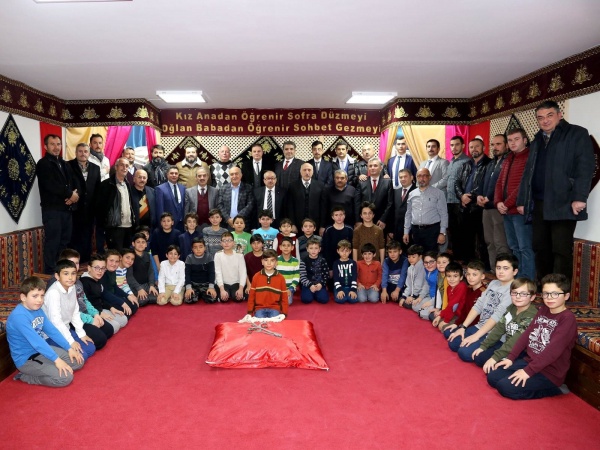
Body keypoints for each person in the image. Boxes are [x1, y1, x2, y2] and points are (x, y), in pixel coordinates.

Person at [517, 101, 594, 281]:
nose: (545, 121)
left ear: (559, 115)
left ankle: (558, 291)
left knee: (560, 249)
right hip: (539, 203)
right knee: (540, 247)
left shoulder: (576, 134)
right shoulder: (537, 139)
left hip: (563, 202)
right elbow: (528, 172)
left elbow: (585, 167)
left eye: (549, 115)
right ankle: (545, 287)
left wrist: (579, 197)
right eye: (540, 117)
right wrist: (522, 200)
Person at [487, 273, 577, 400]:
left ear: (566, 296)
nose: (549, 298)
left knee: (505, 387)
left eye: (555, 294)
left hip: (549, 372)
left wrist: (527, 372)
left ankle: (555, 389)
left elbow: (552, 351)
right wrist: (511, 358)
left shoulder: (567, 319)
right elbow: (526, 334)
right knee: (492, 376)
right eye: (546, 294)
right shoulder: (543, 310)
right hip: (530, 362)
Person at [7, 276, 84, 387]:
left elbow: (52, 331)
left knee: (78, 361)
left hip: (42, 351)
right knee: (65, 377)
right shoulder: (19, 317)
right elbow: (37, 342)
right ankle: (26, 376)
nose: (39, 300)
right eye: (35, 296)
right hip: (27, 359)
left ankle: (49, 365)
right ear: (23, 297)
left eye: (42, 296)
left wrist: (69, 348)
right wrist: (56, 360)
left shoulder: (37, 309)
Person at [447, 253, 518, 361]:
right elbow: (478, 305)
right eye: (498, 268)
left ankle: (497, 351)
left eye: (505, 268)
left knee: (464, 353)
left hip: (494, 333)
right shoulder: (493, 283)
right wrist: (463, 327)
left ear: (515, 271)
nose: (501, 271)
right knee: (453, 342)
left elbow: (497, 316)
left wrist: (476, 336)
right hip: (480, 326)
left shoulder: (514, 290)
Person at [495, 128, 535, 280]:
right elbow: (499, 182)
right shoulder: (508, 158)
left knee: (525, 248)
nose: (513, 143)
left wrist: (506, 203)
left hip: (519, 211)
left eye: (516, 139)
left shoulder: (529, 157)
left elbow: (524, 184)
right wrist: (498, 202)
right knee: (514, 247)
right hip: (507, 211)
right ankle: (518, 280)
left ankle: (528, 281)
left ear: (525, 140)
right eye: (510, 140)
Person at [471, 277, 537, 369]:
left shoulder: (531, 315)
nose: (518, 296)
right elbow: (499, 328)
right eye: (514, 293)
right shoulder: (511, 308)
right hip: (507, 344)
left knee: (493, 372)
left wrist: (495, 357)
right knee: (479, 358)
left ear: (532, 297)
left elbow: (516, 340)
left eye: (523, 294)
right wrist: (484, 346)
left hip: (521, 351)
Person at [37, 134, 79, 274]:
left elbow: (73, 182)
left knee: (64, 241)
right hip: (52, 210)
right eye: (52, 144)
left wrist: (73, 196)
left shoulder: (65, 163)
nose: (56, 147)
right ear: (45, 146)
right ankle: (50, 272)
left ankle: (62, 270)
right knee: (53, 242)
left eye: (58, 144)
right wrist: (69, 194)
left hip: (66, 209)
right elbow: (51, 185)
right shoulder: (43, 164)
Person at [58, 248, 114, 348]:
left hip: (84, 315)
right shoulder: (62, 283)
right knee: (100, 340)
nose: (74, 266)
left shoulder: (77, 281)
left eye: (77, 263)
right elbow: (70, 312)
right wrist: (91, 320)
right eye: (71, 263)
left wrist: (95, 314)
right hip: (72, 320)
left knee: (109, 330)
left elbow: (85, 300)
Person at [42, 259, 96, 360]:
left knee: (90, 348)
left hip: (66, 329)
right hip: (52, 334)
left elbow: (75, 312)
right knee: (82, 356)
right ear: (57, 276)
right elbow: (56, 321)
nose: (70, 277)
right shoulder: (53, 293)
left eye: (73, 273)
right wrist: (71, 342)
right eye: (66, 274)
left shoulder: (72, 287)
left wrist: (81, 334)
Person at [476, 134, 510, 273]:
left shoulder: (508, 162)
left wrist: (491, 199)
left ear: (506, 145)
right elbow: (483, 182)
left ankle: (504, 272)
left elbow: (504, 186)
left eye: (498, 144)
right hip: (486, 208)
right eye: (493, 145)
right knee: (489, 241)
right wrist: (479, 196)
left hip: (498, 207)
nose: (495, 147)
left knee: (500, 242)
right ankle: (493, 270)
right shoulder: (491, 163)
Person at [455, 138, 491, 265]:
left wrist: (470, 197)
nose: (474, 149)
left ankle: (485, 265)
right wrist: (461, 196)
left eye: (477, 146)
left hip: (480, 207)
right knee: (466, 237)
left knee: (483, 238)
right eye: (471, 147)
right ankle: (468, 263)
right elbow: (457, 183)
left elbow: (485, 185)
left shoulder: (489, 164)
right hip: (465, 206)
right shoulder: (465, 164)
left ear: (484, 148)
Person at [68, 143, 101, 263]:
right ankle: (74, 262)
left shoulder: (96, 168)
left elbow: (97, 189)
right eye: (80, 151)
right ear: (76, 153)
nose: (83, 154)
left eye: (85, 151)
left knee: (88, 236)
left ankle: (86, 262)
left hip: (90, 210)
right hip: (74, 209)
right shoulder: (68, 166)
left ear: (89, 153)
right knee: (74, 236)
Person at [96, 157, 138, 251]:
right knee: (115, 255)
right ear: (116, 167)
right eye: (122, 165)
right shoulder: (106, 185)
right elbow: (100, 208)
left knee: (127, 255)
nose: (124, 168)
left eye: (127, 166)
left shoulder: (128, 184)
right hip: (114, 227)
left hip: (129, 226)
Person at [80, 254, 128, 334]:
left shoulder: (97, 279)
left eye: (103, 268)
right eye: (97, 268)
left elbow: (101, 297)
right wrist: (99, 313)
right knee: (115, 326)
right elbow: (85, 305)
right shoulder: (84, 283)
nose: (100, 271)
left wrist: (110, 307)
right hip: (92, 313)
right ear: (89, 268)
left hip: (101, 309)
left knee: (123, 319)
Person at [403, 168, 448, 252]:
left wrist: (442, 233)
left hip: (432, 231)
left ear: (429, 177)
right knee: (417, 256)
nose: (422, 178)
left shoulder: (438, 193)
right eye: (419, 176)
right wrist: (406, 232)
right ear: (416, 178)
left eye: (424, 176)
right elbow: (408, 214)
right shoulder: (412, 194)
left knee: (431, 256)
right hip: (416, 231)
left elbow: (444, 214)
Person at [444, 136, 471, 260]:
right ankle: (456, 257)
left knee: (462, 232)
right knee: (453, 231)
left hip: (460, 202)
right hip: (449, 201)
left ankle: (464, 259)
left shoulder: (467, 161)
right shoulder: (451, 162)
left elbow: (466, 183)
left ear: (463, 146)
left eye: (457, 144)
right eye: (452, 145)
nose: (454, 147)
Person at [442, 260, 486, 328]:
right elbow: (464, 310)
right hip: (464, 321)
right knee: (447, 330)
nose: (470, 277)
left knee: (445, 329)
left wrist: (463, 327)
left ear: (482, 276)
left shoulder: (484, 292)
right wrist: (456, 324)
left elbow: (481, 316)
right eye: (468, 274)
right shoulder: (469, 289)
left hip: (476, 326)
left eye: (474, 275)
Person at [247, 249, 289, 318]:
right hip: (259, 308)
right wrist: (250, 312)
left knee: (274, 322)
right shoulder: (256, 277)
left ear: (276, 263)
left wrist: (284, 313)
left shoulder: (281, 278)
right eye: (266, 260)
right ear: (262, 262)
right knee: (259, 322)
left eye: (272, 260)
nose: (269, 263)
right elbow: (251, 296)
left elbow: (284, 298)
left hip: (275, 308)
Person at [286, 163, 327, 233]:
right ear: (300, 172)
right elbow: (290, 207)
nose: (307, 172)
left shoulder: (320, 186)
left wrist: (322, 226)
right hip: (298, 225)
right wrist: (292, 224)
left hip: (315, 224)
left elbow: (323, 207)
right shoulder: (292, 186)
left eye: (309, 170)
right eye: (304, 170)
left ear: (313, 172)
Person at [357, 158, 393, 230]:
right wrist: (358, 220)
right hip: (364, 221)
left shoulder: (388, 182)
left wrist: (383, 219)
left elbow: (390, 203)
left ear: (381, 168)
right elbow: (357, 203)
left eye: (375, 165)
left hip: (381, 222)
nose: (372, 168)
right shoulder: (362, 183)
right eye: (370, 166)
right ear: (368, 168)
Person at [102, 249, 139, 317]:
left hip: (113, 295)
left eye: (116, 261)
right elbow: (105, 293)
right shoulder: (102, 273)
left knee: (134, 305)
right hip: (105, 299)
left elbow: (115, 287)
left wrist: (128, 296)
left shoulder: (113, 271)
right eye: (111, 261)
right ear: (105, 260)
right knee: (126, 311)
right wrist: (122, 303)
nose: (114, 264)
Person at [217, 165, 254, 230]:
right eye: (232, 174)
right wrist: (228, 219)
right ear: (229, 176)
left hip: (243, 223)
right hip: (227, 224)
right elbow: (220, 205)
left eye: (236, 174)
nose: (234, 176)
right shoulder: (223, 188)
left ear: (241, 175)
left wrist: (237, 219)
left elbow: (250, 205)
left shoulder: (248, 188)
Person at [431, 262, 467, 329]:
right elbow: (449, 306)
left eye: (455, 276)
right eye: (449, 276)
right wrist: (440, 316)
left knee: (443, 328)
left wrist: (446, 321)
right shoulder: (449, 288)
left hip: (462, 316)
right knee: (433, 317)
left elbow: (453, 305)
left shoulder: (462, 286)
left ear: (461, 277)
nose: (452, 279)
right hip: (454, 313)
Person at [214, 231, 247, 302]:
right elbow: (218, 273)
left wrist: (241, 288)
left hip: (236, 283)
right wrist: (222, 290)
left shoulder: (239, 255)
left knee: (238, 299)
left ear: (233, 243)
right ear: (221, 243)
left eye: (229, 240)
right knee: (224, 299)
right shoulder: (218, 255)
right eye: (224, 241)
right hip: (223, 284)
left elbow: (243, 272)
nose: (226, 243)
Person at [322, 206, 354, 275]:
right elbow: (326, 250)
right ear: (332, 217)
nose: (339, 217)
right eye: (336, 215)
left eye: (341, 215)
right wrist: (330, 268)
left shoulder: (350, 229)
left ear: (344, 216)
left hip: (347, 264)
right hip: (332, 263)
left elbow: (352, 248)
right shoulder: (328, 230)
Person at [184, 238, 217, 304]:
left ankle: (202, 294)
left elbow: (211, 273)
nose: (198, 249)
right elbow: (187, 274)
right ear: (192, 249)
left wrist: (211, 287)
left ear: (205, 248)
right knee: (189, 300)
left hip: (206, 284)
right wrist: (188, 288)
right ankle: (198, 294)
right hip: (194, 285)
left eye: (201, 247)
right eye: (195, 247)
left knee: (212, 299)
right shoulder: (189, 258)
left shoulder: (209, 257)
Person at [420, 252, 452, 320]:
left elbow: (450, 298)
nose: (441, 265)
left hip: (450, 307)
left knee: (428, 314)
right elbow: (438, 293)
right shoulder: (439, 275)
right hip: (440, 304)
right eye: (439, 262)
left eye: (444, 262)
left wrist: (442, 311)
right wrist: (437, 308)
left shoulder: (451, 278)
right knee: (423, 312)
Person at [156, 165, 186, 232]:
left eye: (176, 173)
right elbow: (160, 209)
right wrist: (162, 225)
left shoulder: (183, 188)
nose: (174, 175)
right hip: (168, 225)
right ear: (167, 175)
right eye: (171, 173)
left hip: (182, 224)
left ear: (178, 175)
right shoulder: (160, 189)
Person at [392, 169, 417, 251]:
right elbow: (393, 211)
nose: (403, 179)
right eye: (400, 177)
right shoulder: (396, 191)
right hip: (397, 232)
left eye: (405, 176)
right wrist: (391, 230)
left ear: (412, 177)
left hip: (412, 232)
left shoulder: (417, 191)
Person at [130, 232, 158, 305]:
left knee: (154, 299)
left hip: (146, 284)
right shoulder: (130, 257)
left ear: (146, 244)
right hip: (135, 286)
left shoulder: (147, 255)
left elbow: (151, 271)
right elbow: (129, 276)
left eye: (143, 242)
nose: (141, 244)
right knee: (142, 301)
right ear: (133, 244)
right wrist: (139, 288)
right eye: (138, 242)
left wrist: (151, 285)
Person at [299, 237, 329, 304]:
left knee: (324, 300)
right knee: (306, 299)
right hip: (308, 284)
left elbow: (326, 275)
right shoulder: (303, 260)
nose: (313, 250)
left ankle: (317, 294)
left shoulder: (323, 260)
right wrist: (310, 285)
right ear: (307, 249)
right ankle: (311, 293)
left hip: (319, 284)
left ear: (319, 249)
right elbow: (302, 276)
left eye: (316, 248)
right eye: (311, 248)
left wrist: (321, 284)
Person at [400, 245, 429, 311]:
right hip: (414, 293)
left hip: (423, 293)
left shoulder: (422, 267)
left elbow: (419, 285)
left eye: (413, 257)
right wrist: (404, 296)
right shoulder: (410, 268)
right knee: (402, 299)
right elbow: (408, 285)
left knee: (411, 305)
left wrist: (412, 296)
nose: (411, 259)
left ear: (420, 257)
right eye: (409, 257)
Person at [332, 240, 358, 304]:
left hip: (350, 286)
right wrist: (339, 290)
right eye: (342, 251)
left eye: (346, 251)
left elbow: (354, 277)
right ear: (338, 251)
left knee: (353, 300)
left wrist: (353, 290)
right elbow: (335, 278)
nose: (344, 253)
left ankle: (348, 294)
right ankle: (342, 294)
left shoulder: (353, 263)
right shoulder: (336, 263)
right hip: (340, 286)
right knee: (340, 300)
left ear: (350, 251)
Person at [414, 251, 439, 319]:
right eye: (426, 262)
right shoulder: (427, 271)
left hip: (438, 300)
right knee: (415, 306)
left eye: (431, 262)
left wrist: (431, 302)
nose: (428, 265)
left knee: (423, 313)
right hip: (430, 296)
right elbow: (427, 285)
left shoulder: (439, 273)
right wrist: (420, 297)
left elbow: (441, 294)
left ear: (436, 262)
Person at [277, 237, 300, 305]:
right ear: (280, 247)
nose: (286, 247)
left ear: (292, 248)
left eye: (288, 245)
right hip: (278, 287)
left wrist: (291, 288)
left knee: (288, 302)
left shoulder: (295, 261)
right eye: (284, 245)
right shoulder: (276, 260)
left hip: (290, 288)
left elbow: (296, 277)